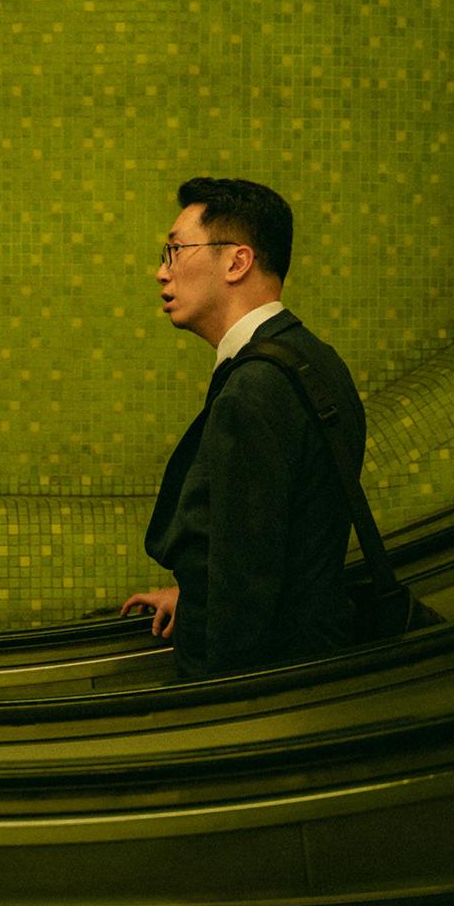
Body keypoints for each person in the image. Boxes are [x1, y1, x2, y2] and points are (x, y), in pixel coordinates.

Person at [120, 177, 367, 679]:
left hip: (274, 687)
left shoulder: (254, 388)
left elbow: (243, 604)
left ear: (237, 262)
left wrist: (214, 716)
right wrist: (195, 591)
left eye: (174, 250)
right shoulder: (312, 357)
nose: (160, 272)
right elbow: (275, 543)